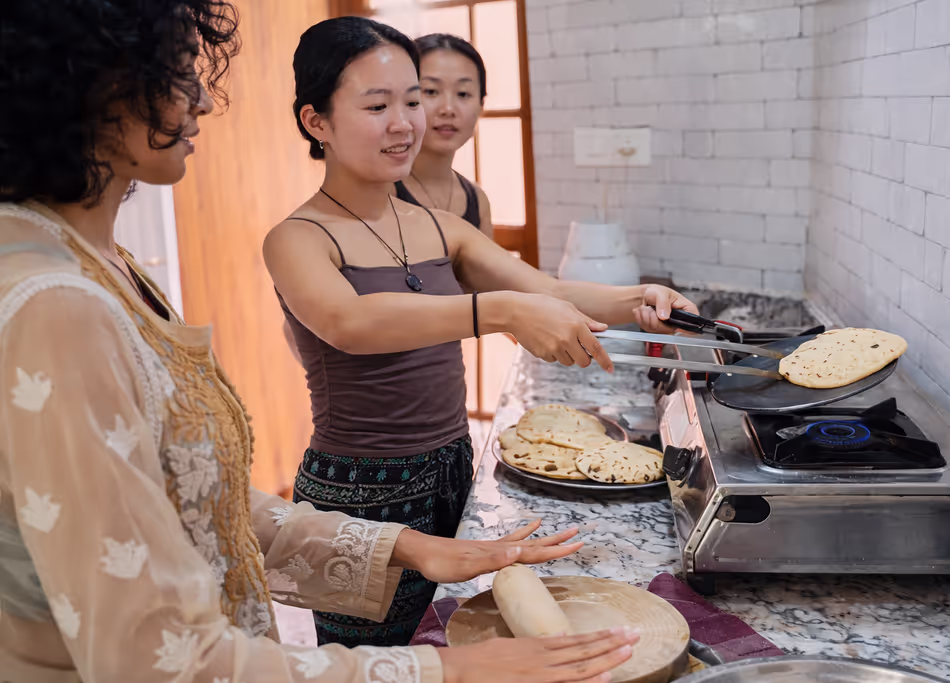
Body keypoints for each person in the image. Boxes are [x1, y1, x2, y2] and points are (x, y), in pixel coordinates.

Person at [0, 2, 642, 681]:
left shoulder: (104, 266)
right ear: (93, 88)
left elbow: (202, 496)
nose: (204, 101)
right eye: (178, 74)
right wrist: (451, 671)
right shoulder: (55, 304)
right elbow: (161, 660)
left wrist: (404, 546)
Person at [263, 16, 698, 650]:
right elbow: (349, 324)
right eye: (377, 105)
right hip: (358, 490)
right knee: (371, 660)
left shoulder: (437, 225)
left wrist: (640, 298)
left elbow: (541, 289)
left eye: (411, 100)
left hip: (451, 465)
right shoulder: (297, 237)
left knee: (451, 644)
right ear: (316, 122)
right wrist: (494, 312)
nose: (405, 122)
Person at [394, 34, 492, 237]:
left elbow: (489, 270)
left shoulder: (476, 199)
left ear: (481, 105)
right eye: (430, 91)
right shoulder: (376, 192)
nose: (448, 109)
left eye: (463, 94)